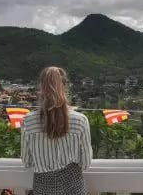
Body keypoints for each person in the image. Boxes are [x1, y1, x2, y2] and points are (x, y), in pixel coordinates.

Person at [21, 66, 92, 195]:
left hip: (43, 187)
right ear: (64, 87)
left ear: (41, 88)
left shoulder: (28, 121)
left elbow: (27, 161)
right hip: (74, 186)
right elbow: (86, 163)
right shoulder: (81, 120)